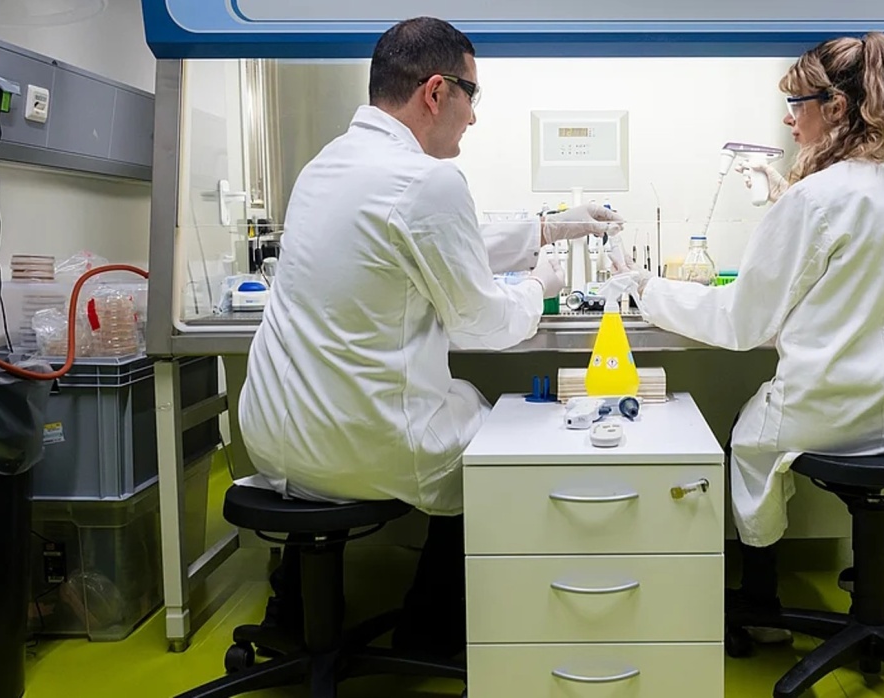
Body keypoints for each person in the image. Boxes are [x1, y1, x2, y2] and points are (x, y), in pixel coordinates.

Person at [236, 16, 624, 658]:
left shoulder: (326, 165)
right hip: (362, 446)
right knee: (498, 437)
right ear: (437, 92)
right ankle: (433, 629)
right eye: (473, 96)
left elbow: (428, 241)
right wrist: (538, 288)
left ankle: (294, 614)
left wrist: (550, 227)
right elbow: (480, 322)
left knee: (455, 404)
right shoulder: (427, 179)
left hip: (275, 439)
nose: (474, 116)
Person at [613, 32, 884, 628]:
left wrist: (645, 288)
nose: (790, 120)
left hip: (828, 406)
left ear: (835, 108)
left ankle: (760, 602)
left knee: (748, 438)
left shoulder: (815, 198)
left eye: (796, 105)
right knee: (816, 439)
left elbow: (739, 322)